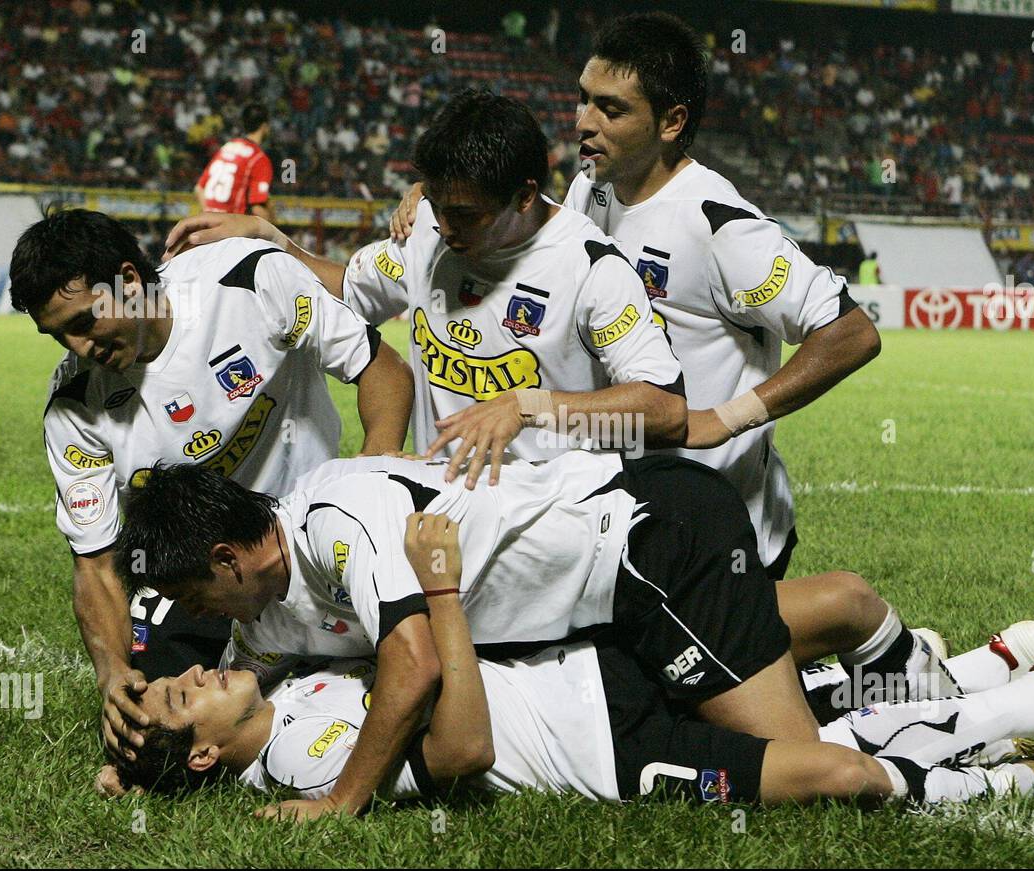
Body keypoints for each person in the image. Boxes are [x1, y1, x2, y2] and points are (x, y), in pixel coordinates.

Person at [112, 514, 1034, 807]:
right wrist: (440, 602)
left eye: (177, 669)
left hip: (594, 680)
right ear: (206, 756)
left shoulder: (280, 687)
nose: (193, 670)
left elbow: (232, 653)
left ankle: (1023, 689)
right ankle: (1028, 724)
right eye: (180, 698)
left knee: (822, 697)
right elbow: (461, 748)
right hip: (598, 747)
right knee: (832, 764)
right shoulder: (302, 765)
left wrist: (126, 755)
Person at [390, 13, 881, 580]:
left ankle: (862, 655)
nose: (583, 123)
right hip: (626, 505)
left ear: (672, 122)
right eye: (583, 100)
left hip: (717, 517)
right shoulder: (589, 187)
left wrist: (726, 417)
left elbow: (851, 332)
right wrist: (437, 188)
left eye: (611, 109)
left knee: (719, 663)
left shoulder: (718, 225)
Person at [8, 208, 414, 765]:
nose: (79, 348)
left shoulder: (248, 282)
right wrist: (112, 674)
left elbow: (382, 369)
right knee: (155, 730)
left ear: (129, 282)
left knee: (408, 654)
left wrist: (370, 494)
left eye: (83, 323)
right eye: (59, 336)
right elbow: (96, 566)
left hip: (305, 550)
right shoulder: (76, 406)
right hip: (199, 580)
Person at [164, 91, 689, 491]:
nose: (445, 228)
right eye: (436, 205)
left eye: (465, 214)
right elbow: (350, 289)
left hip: (550, 514)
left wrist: (529, 405)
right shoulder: (428, 232)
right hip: (439, 506)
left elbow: (665, 409)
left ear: (525, 194)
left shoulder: (592, 268)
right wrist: (272, 241)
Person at [196, 102, 275, 220]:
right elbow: (257, 208)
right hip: (231, 230)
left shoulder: (227, 147)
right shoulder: (258, 158)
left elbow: (199, 188)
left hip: (208, 228)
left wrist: (210, 214)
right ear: (264, 127)